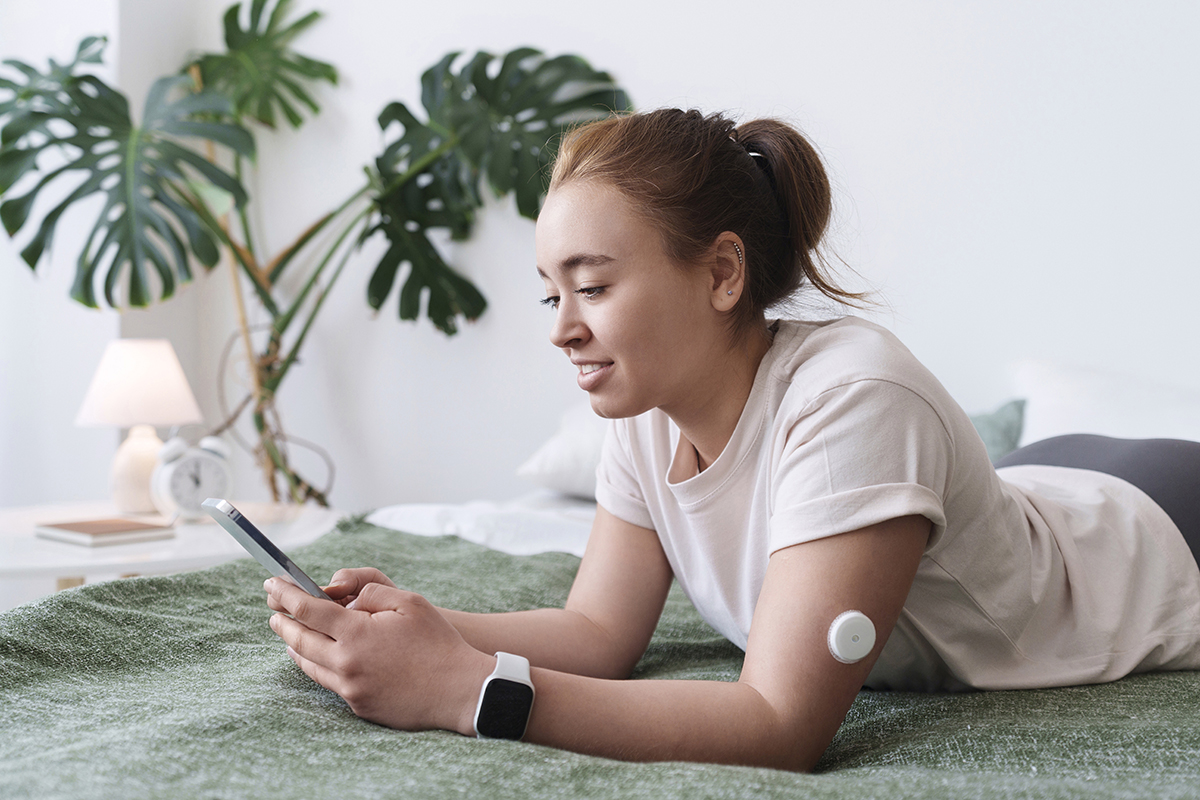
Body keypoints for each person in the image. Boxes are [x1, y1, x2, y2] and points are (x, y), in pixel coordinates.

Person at [264, 108, 1200, 772]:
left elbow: (779, 724)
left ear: (720, 273)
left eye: (593, 287)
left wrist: (464, 693)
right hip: (1048, 490)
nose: (561, 328)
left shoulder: (855, 400)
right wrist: (414, 629)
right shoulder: (645, 412)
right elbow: (596, 632)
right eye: (553, 294)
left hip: (1160, 532)